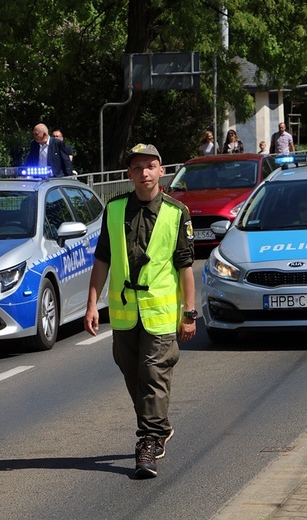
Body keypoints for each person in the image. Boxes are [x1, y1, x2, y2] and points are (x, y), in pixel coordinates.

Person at [84, 143, 196, 479]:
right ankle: (159, 425)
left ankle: (148, 442)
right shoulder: (115, 209)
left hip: (161, 314)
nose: (144, 173)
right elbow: (102, 258)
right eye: (137, 168)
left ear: (162, 171)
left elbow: (185, 266)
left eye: (151, 166)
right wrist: (92, 304)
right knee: (132, 371)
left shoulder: (177, 213)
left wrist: (189, 313)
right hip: (124, 312)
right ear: (129, 174)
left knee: (152, 371)